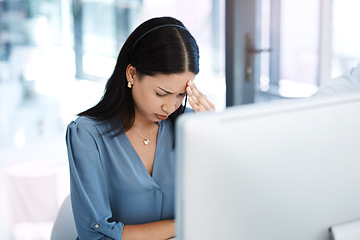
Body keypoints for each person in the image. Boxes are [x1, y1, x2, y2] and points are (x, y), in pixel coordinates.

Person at [65, 16, 215, 240]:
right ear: (132, 74)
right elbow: (96, 235)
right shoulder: (87, 135)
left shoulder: (191, 127)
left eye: (181, 95)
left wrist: (215, 139)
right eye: (161, 93)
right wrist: (185, 224)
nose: (170, 106)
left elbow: (218, 208)